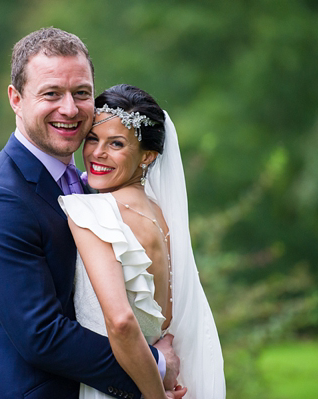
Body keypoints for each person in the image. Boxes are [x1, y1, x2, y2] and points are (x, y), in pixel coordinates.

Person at [0, 28, 178, 399]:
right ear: (16, 98)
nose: (70, 109)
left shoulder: (95, 184)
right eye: (51, 94)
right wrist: (154, 369)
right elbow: (42, 335)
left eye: (82, 93)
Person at [59, 84, 226, 399]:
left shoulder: (93, 212)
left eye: (116, 143)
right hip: (153, 368)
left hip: (125, 385)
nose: (97, 153)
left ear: (147, 156)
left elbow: (122, 323)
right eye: (93, 138)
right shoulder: (160, 214)